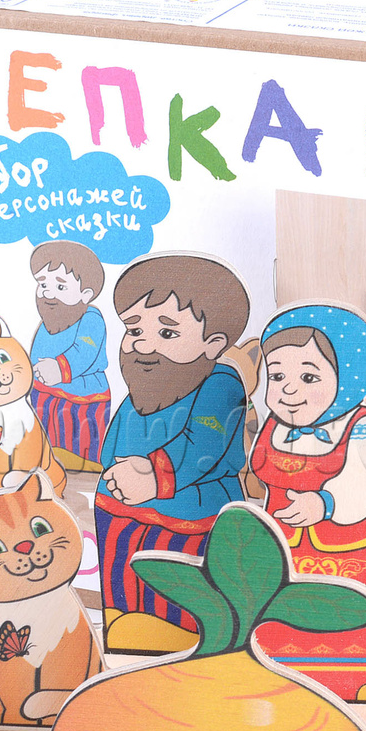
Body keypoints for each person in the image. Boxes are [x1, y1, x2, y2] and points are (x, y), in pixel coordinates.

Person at [250, 304, 366, 704]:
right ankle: (286, 672)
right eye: (277, 376)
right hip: (289, 543)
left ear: (350, 378)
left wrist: (326, 502)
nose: (288, 390)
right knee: (289, 614)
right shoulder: (275, 426)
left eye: (309, 377)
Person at [94, 254, 251, 655]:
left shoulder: (221, 383)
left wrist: (153, 475)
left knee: (178, 590)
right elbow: (116, 439)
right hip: (120, 513)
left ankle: (186, 645)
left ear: (213, 344)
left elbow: (205, 442)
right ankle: (125, 636)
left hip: (190, 518)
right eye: (134, 329)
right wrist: (112, 472)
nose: (142, 343)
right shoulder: (146, 384)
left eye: (166, 332)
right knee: (122, 585)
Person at [29, 241, 110, 472]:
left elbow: (85, 350)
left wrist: (59, 369)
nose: (47, 292)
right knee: (47, 440)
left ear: (85, 294)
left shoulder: (91, 319)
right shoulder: (48, 323)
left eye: (60, 286)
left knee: (82, 442)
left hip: (84, 398)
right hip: (44, 395)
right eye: (43, 284)